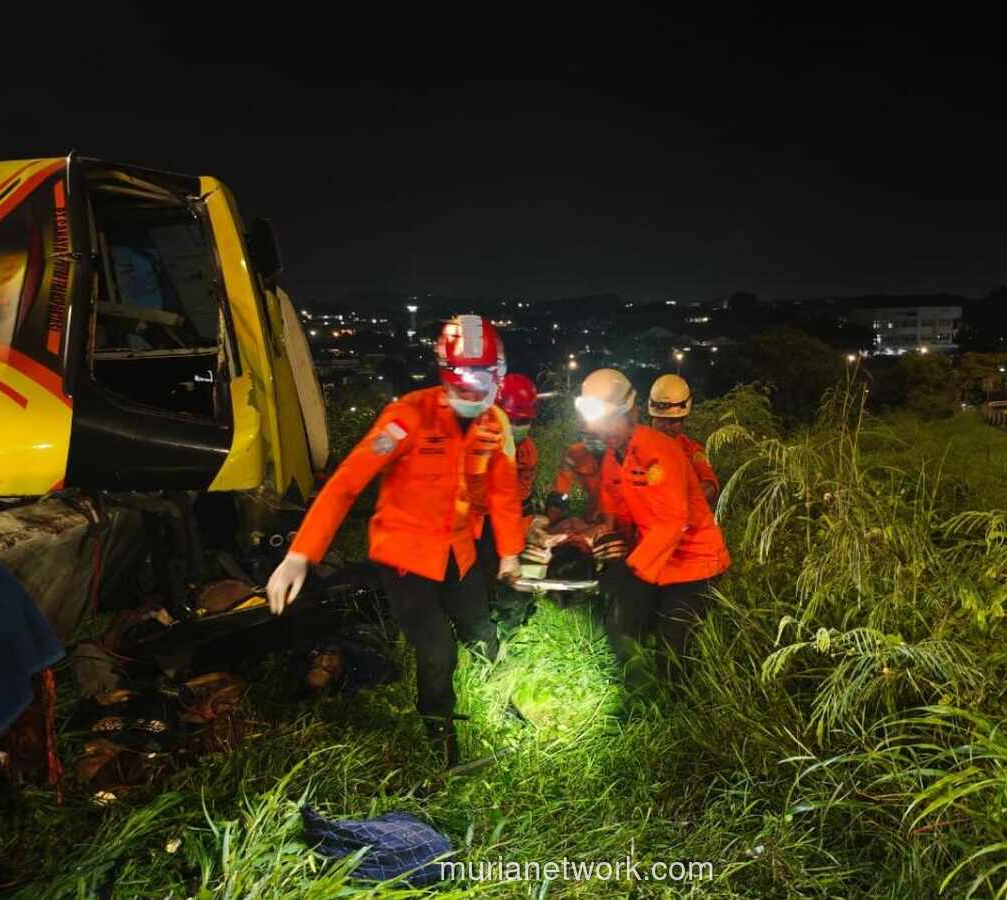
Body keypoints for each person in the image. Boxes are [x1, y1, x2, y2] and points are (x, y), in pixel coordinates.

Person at [265, 315, 525, 765]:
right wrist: (300, 555)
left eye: (484, 378)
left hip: (458, 553)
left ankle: (503, 703)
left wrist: (510, 552)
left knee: (482, 633)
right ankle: (440, 741)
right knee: (437, 652)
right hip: (406, 558)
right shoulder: (405, 420)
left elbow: (502, 491)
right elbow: (347, 483)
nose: (473, 390)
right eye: (465, 379)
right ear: (445, 373)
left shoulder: (490, 426)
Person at [575, 369, 730, 684]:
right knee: (621, 624)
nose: (607, 431)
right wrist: (599, 536)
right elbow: (615, 511)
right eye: (601, 424)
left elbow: (674, 522)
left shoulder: (660, 450)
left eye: (613, 421)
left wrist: (633, 571)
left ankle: (679, 712)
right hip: (655, 560)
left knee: (673, 649)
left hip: (693, 563)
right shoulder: (613, 457)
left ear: (632, 412)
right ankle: (639, 694)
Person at [472, 373, 539, 620]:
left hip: (505, 520)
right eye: (512, 420)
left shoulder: (527, 451)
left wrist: (527, 528)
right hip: (473, 520)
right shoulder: (478, 442)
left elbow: (521, 496)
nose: (517, 427)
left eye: (524, 421)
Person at [647, 374, 719, 505]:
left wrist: (683, 503)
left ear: (683, 421)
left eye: (673, 421)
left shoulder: (691, 451)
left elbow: (710, 485)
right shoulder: (636, 447)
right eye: (661, 420)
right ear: (652, 418)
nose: (666, 427)